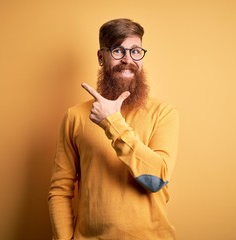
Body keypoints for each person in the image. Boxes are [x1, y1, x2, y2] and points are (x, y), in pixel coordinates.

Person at [48, 18, 179, 240]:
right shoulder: (75, 116)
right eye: (117, 50)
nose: (128, 60)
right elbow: (60, 190)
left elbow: (156, 179)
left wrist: (112, 122)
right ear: (101, 57)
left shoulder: (163, 113)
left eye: (136, 51)